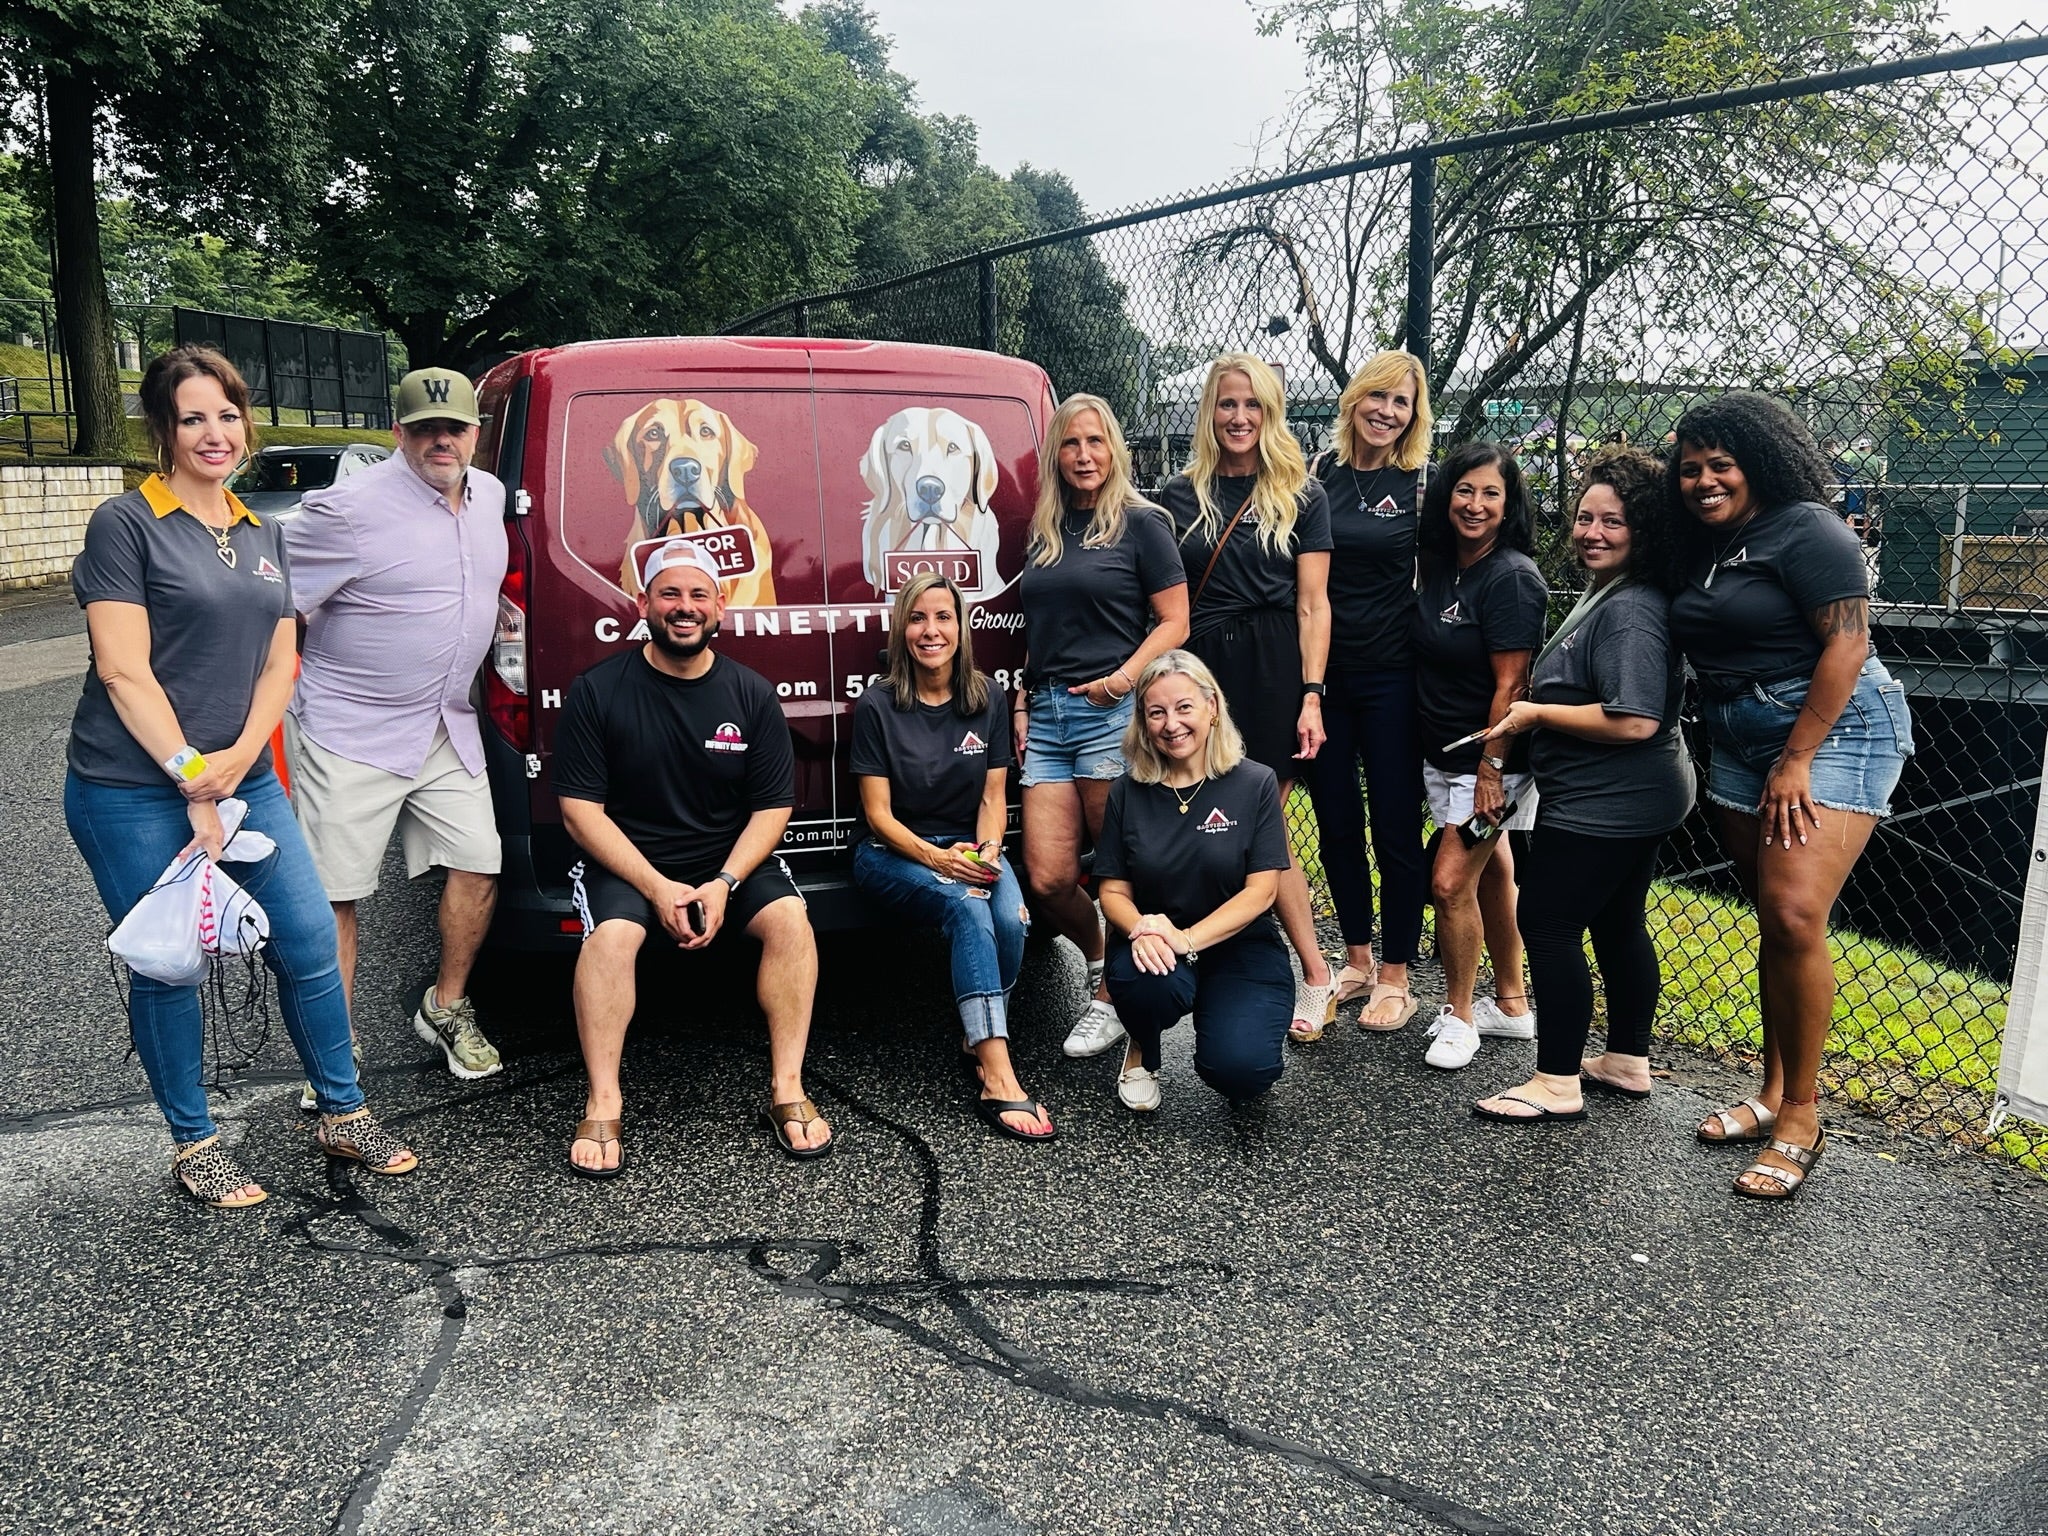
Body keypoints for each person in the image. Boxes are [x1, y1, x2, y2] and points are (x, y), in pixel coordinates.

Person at [64, 345, 416, 1208]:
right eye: (192, 418)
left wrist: (238, 762)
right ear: (163, 429)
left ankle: (342, 1110)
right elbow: (122, 670)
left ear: (245, 421)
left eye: (225, 414)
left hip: (245, 778)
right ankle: (196, 1143)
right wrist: (193, 776)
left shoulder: (264, 534)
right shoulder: (127, 524)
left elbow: (278, 662)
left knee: (305, 941)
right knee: (170, 963)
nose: (213, 434)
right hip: (130, 787)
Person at [1667, 392, 1914, 1199]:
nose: (1704, 481)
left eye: (1721, 466)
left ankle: (1803, 1115)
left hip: (1830, 725)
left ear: (1759, 462)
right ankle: (1772, 1093)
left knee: (1798, 914)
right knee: (1772, 915)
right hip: (1739, 733)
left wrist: (1797, 757)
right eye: (1692, 468)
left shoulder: (1807, 527)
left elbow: (1849, 641)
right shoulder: (1703, 543)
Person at [553, 537, 829, 1175]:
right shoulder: (597, 690)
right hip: (628, 861)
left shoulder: (752, 693)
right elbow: (579, 812)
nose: (684, 607)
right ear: (643, 602)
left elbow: (771, 808)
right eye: (670, 593)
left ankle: (787, 1089)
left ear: (721, 605)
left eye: (698, 594)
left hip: (726, 861)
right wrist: (655, 887)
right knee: (613, 939)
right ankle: (603, 1099)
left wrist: (726, 882)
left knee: (792, 923)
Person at [282, 367, 509, 1105]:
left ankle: (444, 1007)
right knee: (336, 895)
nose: (442, 440)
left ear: (476, 432)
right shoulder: (342, 510)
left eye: (456, 427)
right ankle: (332, 1044)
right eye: (424, 428)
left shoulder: (492, 499)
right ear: (398, 433)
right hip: (353, 729)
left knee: (479, 864)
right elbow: (276, 603)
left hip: (446, 725)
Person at [1468, 449, 1694, 1122]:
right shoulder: (1615, 591)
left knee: (1547, 919)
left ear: (1644, 530)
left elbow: (1632, 720)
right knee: (1618, 922)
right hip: (1631, 794)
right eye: (1585, 518)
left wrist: (1535, 713)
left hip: (1610, 798)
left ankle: (1556, 1080)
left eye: (1613, 522)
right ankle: (1626, 1059)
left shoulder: (1632, 611)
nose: (1592, 533)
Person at [1157, 354, 1336, 1038]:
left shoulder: (1302, 495)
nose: (1240, 418)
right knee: (1206, 825)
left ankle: (1313, 976)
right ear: (1210, 412)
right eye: (1228, 405)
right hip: (1201, 674)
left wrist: (1312, 695)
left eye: (1253, 405)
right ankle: (1221, 967)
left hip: (1271, 672)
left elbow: (1313, 607)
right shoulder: (1179, 495)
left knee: (1264, 829)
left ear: (1271, 412)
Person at [1013, 394, 1188, 1060]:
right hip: (1051, 713)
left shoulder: (1142, 524)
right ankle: (1098, 963)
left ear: (1114, 449)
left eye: (1095, 442)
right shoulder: (1047, 528)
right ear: (1056, 454)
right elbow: (1040, 628)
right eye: (1070, 444)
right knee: (1050, 878)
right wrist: (1026, 698)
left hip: (1109, 713)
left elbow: (1175, 621)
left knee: (1119, 867)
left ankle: (1119, 1002)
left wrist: (1123, 680)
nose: (1084, 456)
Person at [853, 573, 1049, 1140]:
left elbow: (993, 797)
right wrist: (942, 863)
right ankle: (998, 1073)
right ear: (901, 629)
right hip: (892, 852)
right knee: (968, 907)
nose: (931, 630)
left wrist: (987, 852)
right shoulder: (878, 705)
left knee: (1011, 918)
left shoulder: (985, 697)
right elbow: (878, 817)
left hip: (969, 845)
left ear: (962, 628)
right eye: (917, 618)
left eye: (943, 617)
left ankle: (974, 1032)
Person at [1095, 651, 1293, 1111]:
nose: (1171, 723)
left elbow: (1262, 891)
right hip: (1153, 946)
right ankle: (1142, 1047)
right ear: (1143, 722)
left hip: (1236, 944)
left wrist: (1185, 940)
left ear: (1212, 707)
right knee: (1149, 986)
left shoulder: (1255, 782)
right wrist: (1144, 929)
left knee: (1243, 1072)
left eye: (1184, 707)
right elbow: (1112, 890)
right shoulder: (1128, 790)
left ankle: (1224, 1017)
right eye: (1156, 712)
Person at [1301, 350, 1431, 1038]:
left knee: (1395, 829)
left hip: (1393, 681)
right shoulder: (1316, 477)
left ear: (1413, 415)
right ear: (1355, 399)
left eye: (1402, 403)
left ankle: (1397, 976)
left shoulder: (1420, 487)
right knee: (1337, 825)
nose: (1387, 411)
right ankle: (1356, 960)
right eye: (1378, 397)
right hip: (1325, 685)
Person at [1410, 442, 1548, 1071]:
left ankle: (1460, 1015)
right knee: (1493, 871)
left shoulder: (1512, 577)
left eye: (1492, 493)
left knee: (1447, 881)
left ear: (1508, 504)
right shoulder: (1442, 564)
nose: (1476, 504)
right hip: (1445, 756)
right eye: (1466, 490)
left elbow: (1511, 687)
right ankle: (1514, 1006)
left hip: (1491, 767)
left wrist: (1492, 768)